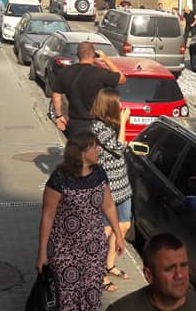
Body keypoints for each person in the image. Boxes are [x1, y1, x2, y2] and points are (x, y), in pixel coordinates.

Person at [36, 131, 124, 311]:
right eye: (95, 147)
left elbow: (108, 206)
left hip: (94, 249)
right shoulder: (60, 178)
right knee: (67, 298)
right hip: (64, 250)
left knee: (91, 295)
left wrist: (118, 235)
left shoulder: (99, 173)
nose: (99, 150)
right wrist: (42, 252)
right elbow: (48, 216)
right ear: (82, 152)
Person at [88, 89, 133, 292]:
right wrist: (124, 123)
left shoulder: (110, 125)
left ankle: (109, 264)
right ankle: (97, 273)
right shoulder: (97, 127)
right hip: (108, 187)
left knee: (123, 225)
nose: (121, 106)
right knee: (105, 231)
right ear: (109, 106)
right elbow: (118, 147)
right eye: (118, 103)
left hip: (122, 184)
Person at [106, 234, 196, 311]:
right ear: (149, 275)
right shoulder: (121, 309)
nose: (179, 275)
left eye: (183, 265)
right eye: (169, 269)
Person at [52, 43, 126, 137]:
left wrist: (59, 116)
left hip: (74, 123)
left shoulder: (65, 72)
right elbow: (122, 79)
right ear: (93, 55)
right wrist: (106, 60)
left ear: (78, 55)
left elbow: (56, 96)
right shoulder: (100, 73)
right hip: (96, 125)